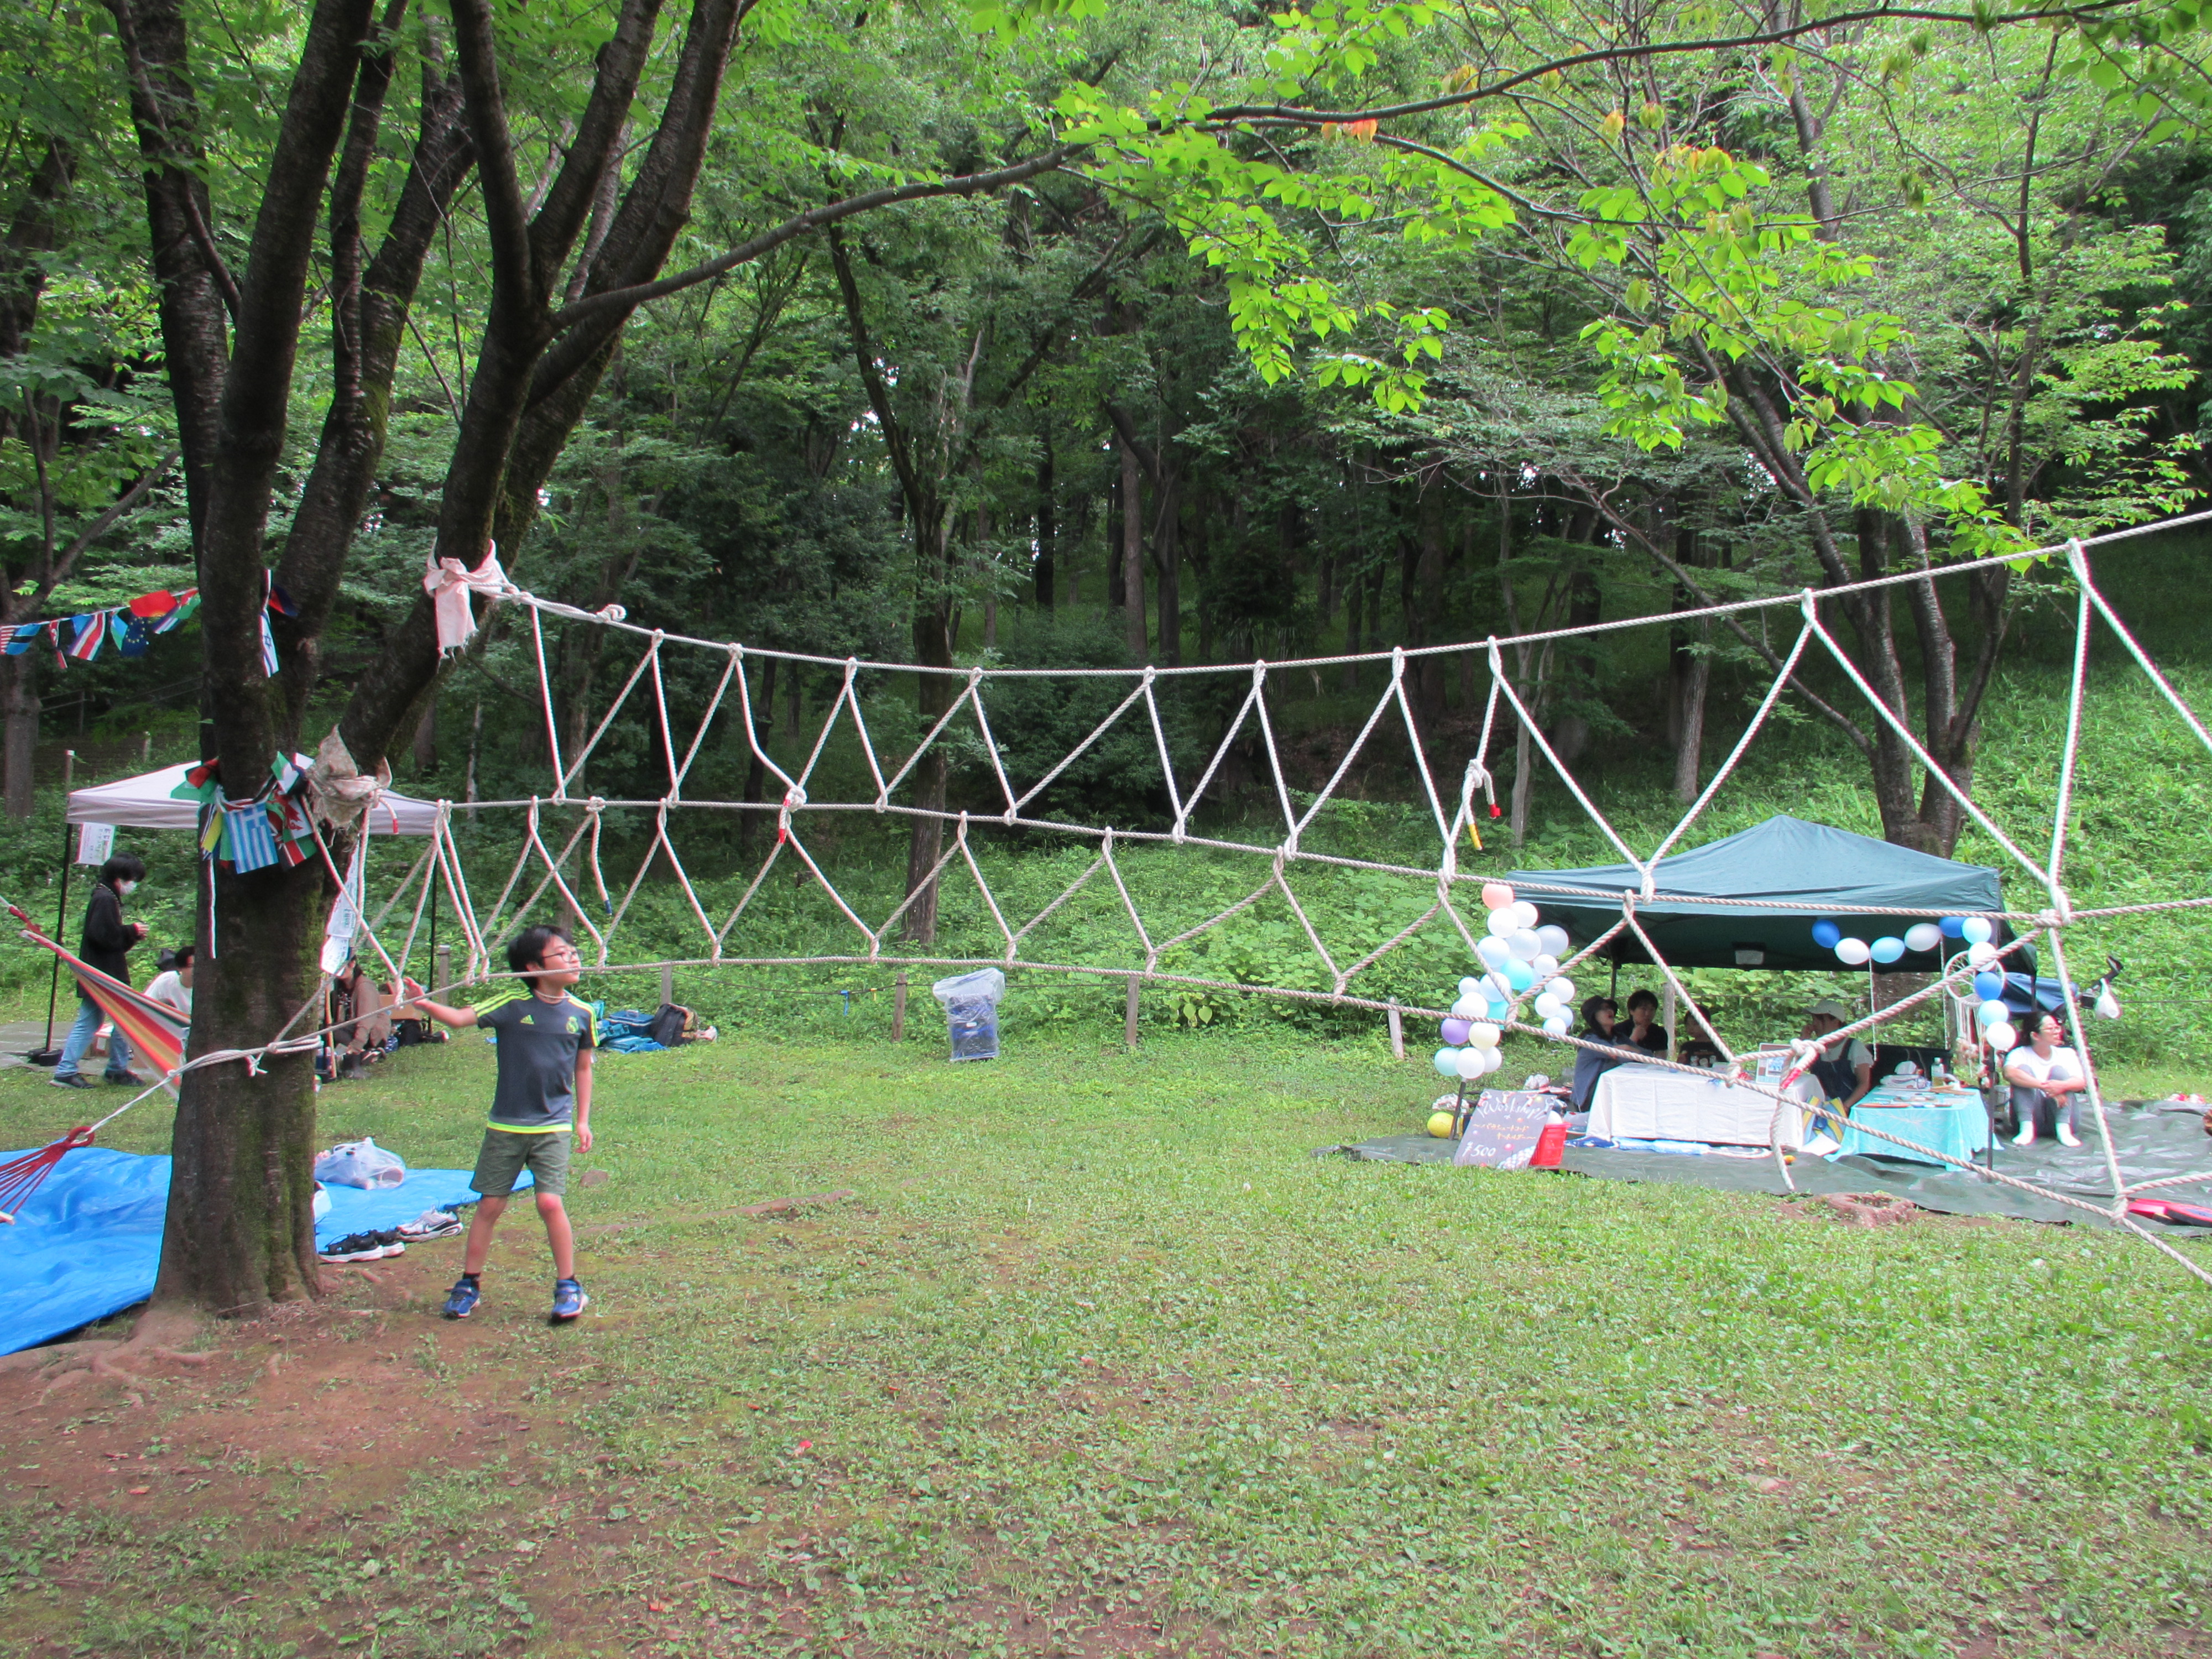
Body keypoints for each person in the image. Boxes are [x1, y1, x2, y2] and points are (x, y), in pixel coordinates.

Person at [402, 926, 597, 1323]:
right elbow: (459, 1019)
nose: (574, 958)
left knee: (549, 1202)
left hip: (553, 1126)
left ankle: (569, 1285)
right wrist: (422, 1002)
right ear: (533, 967)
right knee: (490, 1204)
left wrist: (582, 1120)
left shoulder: (582, 1013)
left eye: (575, 951)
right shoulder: (511, 1004)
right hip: (506, 1126)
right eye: (563, 953)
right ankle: (469, 1284)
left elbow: (583, 1067)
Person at [52, 853, 149, 1089]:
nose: (133, 884)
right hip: (102, 973)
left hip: (104, 970)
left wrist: (131, 935)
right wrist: (131, 930)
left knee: (113, 1020)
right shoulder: (105, 899)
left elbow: (111, 939)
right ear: (120, 878)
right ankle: (70, 1071)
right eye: (132, 879)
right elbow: (102, 936)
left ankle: (113, 1068)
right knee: (106, 1020)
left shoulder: (107, 896)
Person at [2004, 1010, 2088, 1148]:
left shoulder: (2067, 1053)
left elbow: (2080, 1082)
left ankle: (2064, 1130)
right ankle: (2026, 1129)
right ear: (2035, 1035)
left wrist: (2061, 1086)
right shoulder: (2019, 1054)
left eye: (2057, 1028)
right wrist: (2045, 1087)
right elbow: (2010, 1074)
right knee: (2022, 1071)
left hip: (2063, 1114)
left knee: (2059, 1072)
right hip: (2033, 1114)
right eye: (2050, 1029)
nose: (2057, 1032)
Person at [1801, 998, 1873, 1109]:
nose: (1814, 1025)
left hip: (1849, 1108)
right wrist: (1803, 1041)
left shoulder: (1854, 1047)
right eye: (1813, 1020)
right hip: (1820, 1106)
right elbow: (1797, 1071)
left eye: (1818, 1020)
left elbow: (1864, 1084)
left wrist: (1846, 1106)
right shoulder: (1814, 1047)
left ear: (1835, 1021)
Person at [1570, 995, 1631, 1109]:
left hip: (1609, 1093)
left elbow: (1646, 1055)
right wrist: (1633, 1042)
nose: (1609, 1011)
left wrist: (1630, 1048)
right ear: (1594, 1016)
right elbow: (1624, 1057)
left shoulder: (1618, 1037)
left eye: (1609, 1008)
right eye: (1603, 1009)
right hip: (1588, 1099)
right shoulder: (1590, 1041)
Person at [145, 946, 194, 1021]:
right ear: (180, 968)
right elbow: (146, 1005)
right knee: (164, 1003)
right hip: (168, 1025)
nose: (196, 970)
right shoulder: (166, 980)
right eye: (191, 966)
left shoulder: (210, 986)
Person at [1619, 989, 1668, 1056]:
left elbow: (1661, 1059)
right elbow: (1617, 1058)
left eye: (1652, 1010)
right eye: (1643, 1009)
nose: (1648, 1014)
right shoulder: (1619, 1030)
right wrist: (1634, 1038)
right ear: (1632, 1011)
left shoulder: (1660, 1033)